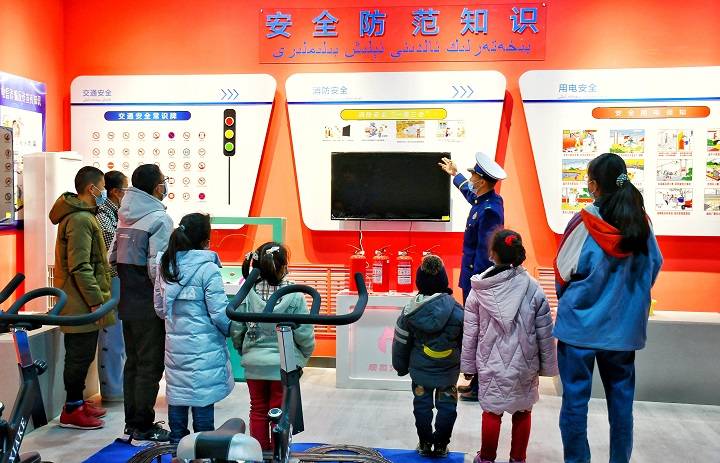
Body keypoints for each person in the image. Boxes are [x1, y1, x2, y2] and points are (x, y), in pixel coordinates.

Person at [554, 153, 663, 463]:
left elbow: (562, 271)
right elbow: (654, 265)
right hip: (623, 332)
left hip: (579, 330)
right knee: (621, 404)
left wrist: (576, 302)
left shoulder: (583, 223)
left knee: (575, 404)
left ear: (593, 185)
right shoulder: (641, 223)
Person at [461, 229, 557, 463]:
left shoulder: (479, 290)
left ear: (492, 253)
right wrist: (548, 367)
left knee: (491, 412)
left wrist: (468, 367)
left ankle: (486, 458)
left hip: (490, 364)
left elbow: (470, 333)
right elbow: (545, 332)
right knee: (523, 411)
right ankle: (518, 458)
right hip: (524, 365)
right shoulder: (534, 288)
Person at [154, 213, 234, 444]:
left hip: (175, 350)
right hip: (204, 350)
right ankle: (202, 452)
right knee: (202, 400)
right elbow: (219, 313)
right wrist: (232, 330)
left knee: (177, 398)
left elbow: (159, 308)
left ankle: (177, 450)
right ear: (206, 240)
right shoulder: (208, 269)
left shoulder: (165, 265)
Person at [109, 164, 174, 441]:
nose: (165, 185)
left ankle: (132, 423)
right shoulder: (159, 219)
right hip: (149, 303)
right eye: (163, 181)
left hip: (128, 300)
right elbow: (157, 268)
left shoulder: (124, 215)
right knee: (150, 365)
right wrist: (163, 300)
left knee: (133, 363)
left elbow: (112, 257)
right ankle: (144, 425)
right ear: (157, 187)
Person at [230, 242, 315, 451]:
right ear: (284, 265)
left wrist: (244, 351)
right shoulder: (295, 293)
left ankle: (260, 452)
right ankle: (279, 452)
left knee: (258, 409)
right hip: (284, 365)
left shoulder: (246, 291)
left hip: (254, 364)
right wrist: (303, 357)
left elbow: (237, 329)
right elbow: (304, 333)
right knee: (279, 411)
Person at [50, 166, 114, 429]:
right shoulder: (79, 219)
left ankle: (77, 402)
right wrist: (95, 300)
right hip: (80, 303)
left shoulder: (82, 216)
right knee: (78, 357)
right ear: (92, 188)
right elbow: (80, 265)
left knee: (84, 355)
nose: (104, 194)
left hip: (81, 300)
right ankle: (72, 409)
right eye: (103, 188)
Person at [439, 152, 506, 401]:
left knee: (480, 333)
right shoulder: (485, 201)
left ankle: (479, 386)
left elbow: (487, 252)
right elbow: (470, 194)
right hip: (472, 278)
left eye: (474, 176)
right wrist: (455, 175)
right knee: (474, 330)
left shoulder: (490, 210)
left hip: (478, 280)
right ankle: (476, 381)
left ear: (483, 181)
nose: (471, 179)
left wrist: (478, 283)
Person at [392, 255, 464, 458]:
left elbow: (400, 342)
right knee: (447, 407)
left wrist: (400, 366)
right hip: (448, 372)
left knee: (422, 406)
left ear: (419, 282)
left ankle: (424, 442)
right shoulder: (458, 312)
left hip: (420, 371)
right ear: (444, 281)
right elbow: (467, 343)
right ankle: (441, 444)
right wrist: (469, 368)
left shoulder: (409, 312)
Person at [95, 170, 128, 402]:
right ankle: (112, 390)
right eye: (125, 189)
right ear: (115, 191)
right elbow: (111, 256)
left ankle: (118, 387)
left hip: (118, 283)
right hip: (111, 283)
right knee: (112, 339)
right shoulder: (104, 218)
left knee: (119, 339)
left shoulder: (115, 215)